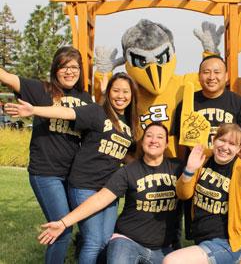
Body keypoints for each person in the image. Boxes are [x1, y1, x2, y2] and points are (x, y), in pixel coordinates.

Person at [5, 72, 138, 264]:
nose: (120, 95)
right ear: (108, 93)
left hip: (109, 190)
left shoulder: (129, 124)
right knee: (93, 241)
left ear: (132, 95)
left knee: (103, 241)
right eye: (116, 90)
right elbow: (68, 113)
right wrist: (34, 109)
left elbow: (124, 154)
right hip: (84, 185)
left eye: (125, 92)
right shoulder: (97, 112)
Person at [32, 122, 183, 264]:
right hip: (128, 242)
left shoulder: (178, 168)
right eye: (149, 135)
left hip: (163, 249)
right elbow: (100, 199)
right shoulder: (128, 171)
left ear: (167, 144)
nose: (153, 140)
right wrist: (63, 223)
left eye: (160, 137)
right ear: (142, 141)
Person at [0, 46, 92, 264]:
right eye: (64, 67)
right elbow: (5, 76)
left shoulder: (86, 98)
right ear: (55, 69)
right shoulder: (42, 90)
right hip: (47, 173)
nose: (69, 72)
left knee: (77, 227)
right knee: (61, 230)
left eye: (74, 67)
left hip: (74, 176)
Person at [163, 123, 241, 264]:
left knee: (171, 261)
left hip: (226, 243)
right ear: (214, 140)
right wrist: (189, 170)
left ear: (239, 149)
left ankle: (239, 252)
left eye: (232, 144)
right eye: (222, 140)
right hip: (202, 238)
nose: (225, 147)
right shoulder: (203, 159)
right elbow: (184, 194)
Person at [174, 54, 241, 164]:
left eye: (217, 72)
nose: (211, 77)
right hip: (196, 168)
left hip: (228, 169)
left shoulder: (239, 103)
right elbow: (181, 141)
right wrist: (181, 168)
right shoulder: (187, 103)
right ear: (199, 76)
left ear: (226, 76)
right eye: (206, 72)